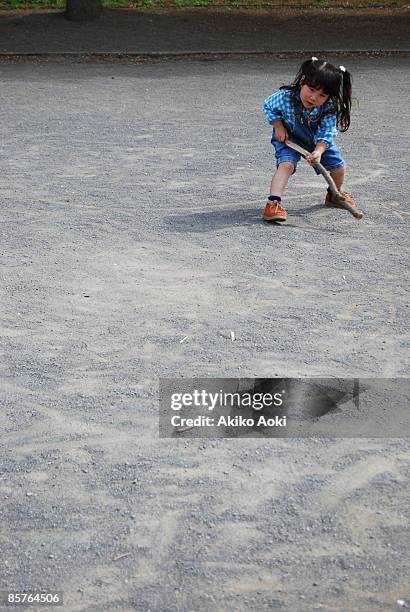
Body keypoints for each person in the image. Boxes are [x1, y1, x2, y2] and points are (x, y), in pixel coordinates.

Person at [262, 57, 354, 222]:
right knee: (286, 165)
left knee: (339, 168)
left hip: (317, 141)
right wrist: (278, 126)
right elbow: (268, 105)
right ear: (303, 81)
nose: (313, 98)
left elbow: (327, 131)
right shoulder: (286, 97)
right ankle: (273, 203)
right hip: (289, 137)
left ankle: (334, 194)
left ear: (329, 97)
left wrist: (318, 151)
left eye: (322, 95)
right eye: (311, 89)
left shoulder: (329, 107)